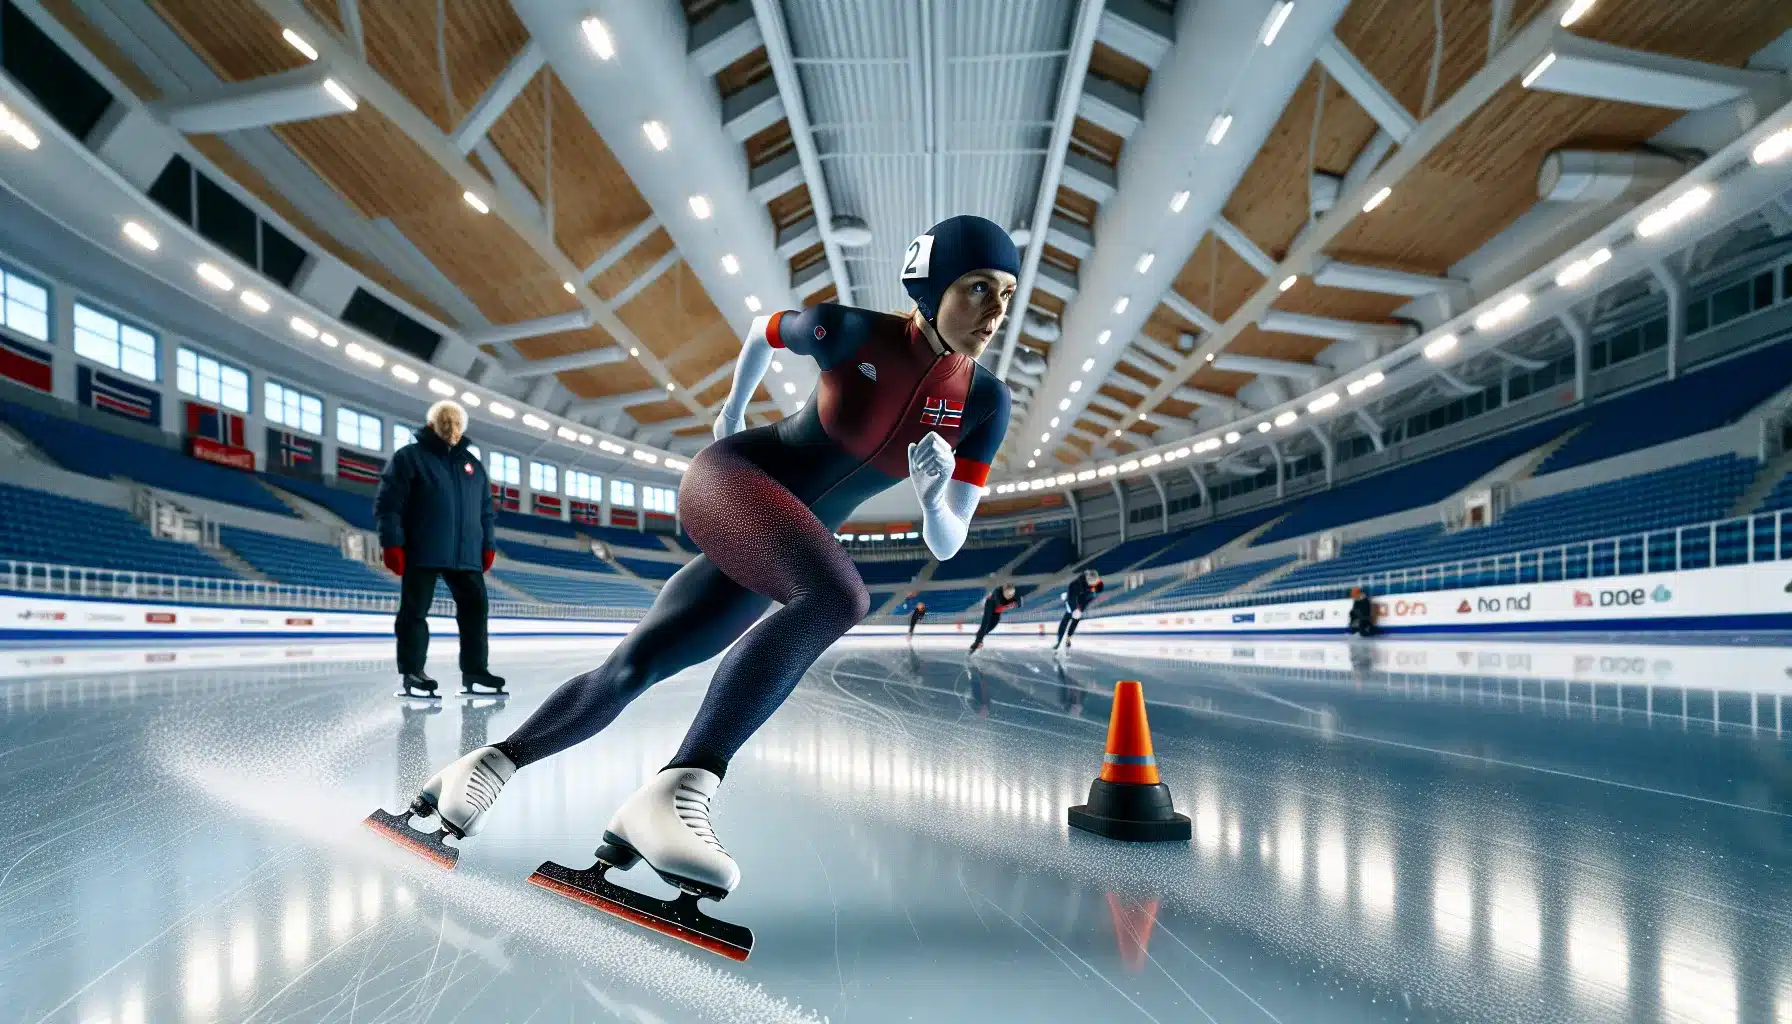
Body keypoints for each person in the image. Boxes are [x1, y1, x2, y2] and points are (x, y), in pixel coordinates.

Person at [371, 215, 1018, 958]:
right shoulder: (849, 331)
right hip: (734, 479)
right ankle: (680, 790)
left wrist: (935, 499)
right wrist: (733, 410)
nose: (995, 311)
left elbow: (947, 539)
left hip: (780, 530)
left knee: (637, 664)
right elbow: (763, 331)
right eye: (977, 289)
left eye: (1006, 294)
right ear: (931, 287)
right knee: (838, 597)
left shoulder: (986, 404)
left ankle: (480, 770)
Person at [374, 400, 506, 698]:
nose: (451, 428)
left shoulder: (472, 466)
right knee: (414, 612)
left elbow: (485, 511)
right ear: (432, 424)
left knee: (475, 611)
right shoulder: (409, 457)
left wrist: (488, 544)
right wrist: (392, 542)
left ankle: (475, 670)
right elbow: (389, 504)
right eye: (446, 422)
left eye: (456, 423)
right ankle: (412, 672)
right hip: (423, 548)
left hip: (466, 553)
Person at [1053, 569, 1103, 652]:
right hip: (1073, 600)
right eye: (1093, 583)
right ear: (1088, 580)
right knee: (1067, 618)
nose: (1095, 584)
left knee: (1075, 620)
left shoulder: (1095, 583)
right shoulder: (1075, 585)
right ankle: (1060, 640)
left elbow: (1099, 588)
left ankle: (1068, 638)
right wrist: (1074, 609)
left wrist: (1095, 588)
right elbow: (1072, 598)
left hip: (1084, 599)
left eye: (1096, 582)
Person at [968, 582, 1020, 653]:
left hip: (998, 609)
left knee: (994, 624)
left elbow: (1020, 602)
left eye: (1011, 595)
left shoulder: (1014, 594)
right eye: (1008, 595)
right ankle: (977, 641)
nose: (1009, 597)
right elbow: (1000, 602)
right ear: (1004, 592)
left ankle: (979, 636)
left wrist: (1016, 603)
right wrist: (1011, 604)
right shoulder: (997, 591)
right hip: (990, 604)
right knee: (986, 623)